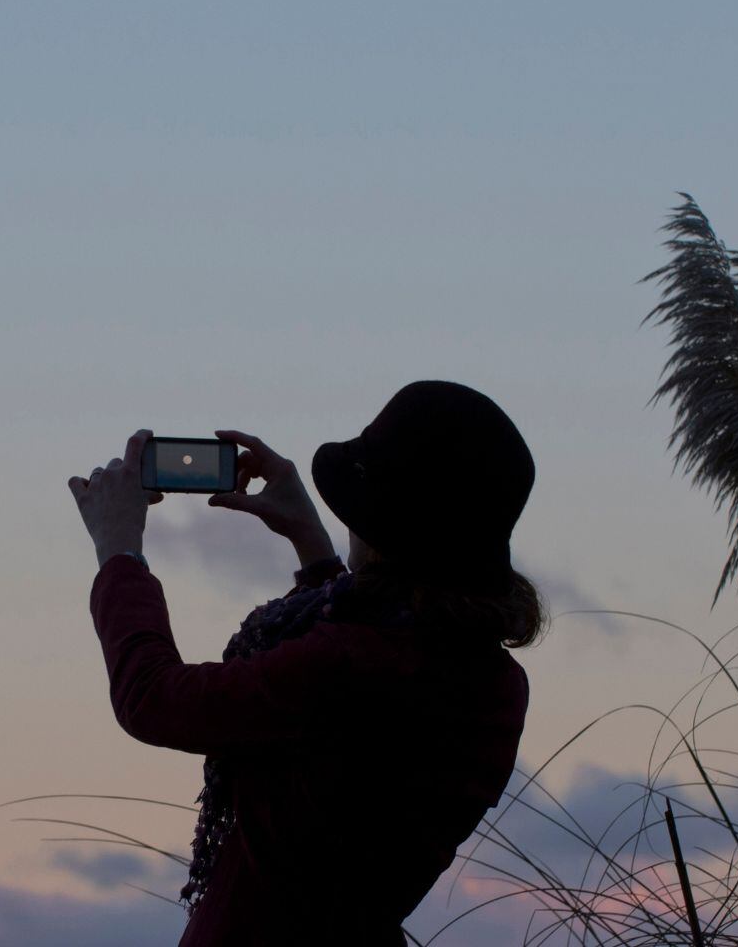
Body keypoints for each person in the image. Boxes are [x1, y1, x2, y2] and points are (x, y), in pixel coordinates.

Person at [68, 379, 544, 946]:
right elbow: (353, 702)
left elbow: (152, 697)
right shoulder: (492, 683)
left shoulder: (351, 667)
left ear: (384, 531)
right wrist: (312, 543)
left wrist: (120, 553)